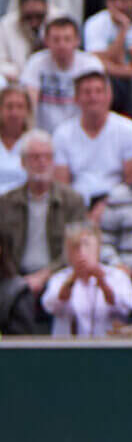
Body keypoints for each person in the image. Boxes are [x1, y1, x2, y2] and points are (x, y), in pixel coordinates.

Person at [0, 130, 86, 332]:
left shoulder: (72, 200)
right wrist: (18, 279)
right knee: (15, 294)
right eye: (35, 157)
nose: (41, 162)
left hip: (59, 274)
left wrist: (44, 276)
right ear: (22, 163)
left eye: (47, 157)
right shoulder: (6, 203)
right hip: (16, 277)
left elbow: (75, 249)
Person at [52, 70, 132, 203]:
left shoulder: (129, 130)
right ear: (76, 98)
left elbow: (131, 181)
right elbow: (62, 185)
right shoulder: (62, 133)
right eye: (87, 92)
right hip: (76, 205)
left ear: (108, 96)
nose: (93, 97)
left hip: (117, 203)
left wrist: (105, 206)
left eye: (98, 91)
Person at [41, 221, 132, 336]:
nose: (82, 252)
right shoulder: (59, 278)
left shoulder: (117, 276)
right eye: (75, 247)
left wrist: (102, 283)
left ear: (98, 248)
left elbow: (127, 306)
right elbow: (50, 305)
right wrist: (73, 278)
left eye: (87, 245)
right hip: (69, 349)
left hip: (108, 348)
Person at [20, 17, 103, 134]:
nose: (62, 45)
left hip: (78, 132)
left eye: (67, 39)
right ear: (46, 41)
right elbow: (29, 103)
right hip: (43, 134)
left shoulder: (90, 64)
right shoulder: (36, 62)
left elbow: (99, 102)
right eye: (56, 40)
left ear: (77, 41)